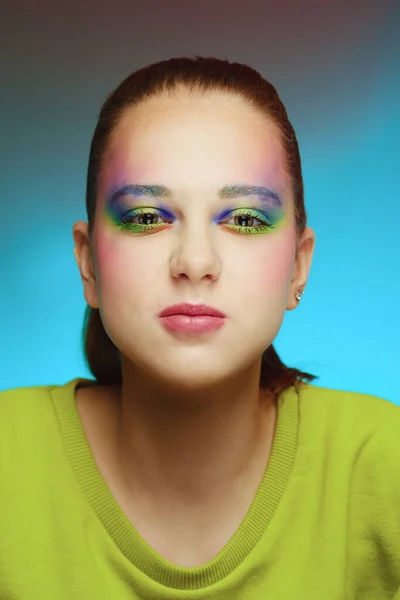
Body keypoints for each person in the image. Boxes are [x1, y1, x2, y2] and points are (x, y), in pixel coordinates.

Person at [1, 56, 399, 599]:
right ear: (88, 262)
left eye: (244, 219)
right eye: (146, 217)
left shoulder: (382, 463)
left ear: (299, 266)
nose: (193, 260)